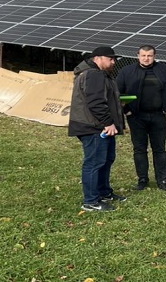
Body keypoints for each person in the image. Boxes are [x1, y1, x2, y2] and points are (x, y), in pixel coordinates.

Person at [116, 45, 166, 192]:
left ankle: (163, 180)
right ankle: (142, 179)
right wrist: (126, 110)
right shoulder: (127, 71)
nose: (146, 59)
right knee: (139, 149)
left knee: (159, 149)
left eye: (149, 56)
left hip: (158, 115)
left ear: (154, 56)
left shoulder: (165, 70)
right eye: (143, 55)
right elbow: (117, 92)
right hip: (136, 117)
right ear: (138, 56)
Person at [68, 46, 127, 212]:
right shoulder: (93, 74)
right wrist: (108, 123)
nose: (113, 62)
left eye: (114, 59)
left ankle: (104, 192)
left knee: (106, 160)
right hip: (94, 127)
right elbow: (95, 102)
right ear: (97, 58)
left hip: (98, 125)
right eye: (110, 59)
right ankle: (91, 201)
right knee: (94, 162)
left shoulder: (99, 74)